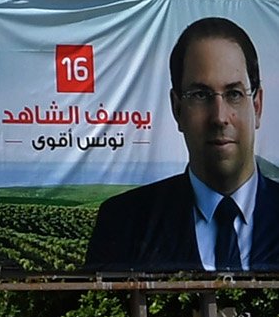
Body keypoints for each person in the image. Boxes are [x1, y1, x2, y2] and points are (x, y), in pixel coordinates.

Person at [84, 17, 279, 273]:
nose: (219, 117)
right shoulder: (123, 223)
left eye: (234, 94)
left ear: (257, 105)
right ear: (177, 109)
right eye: (200, 95)